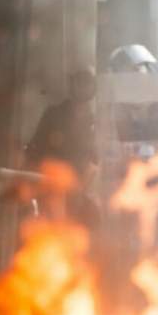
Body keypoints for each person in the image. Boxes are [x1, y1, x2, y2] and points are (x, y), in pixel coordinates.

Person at [25, 68, 100, 223]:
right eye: (79, 82)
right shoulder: (54, 114)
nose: (83, 88)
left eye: (87, 83)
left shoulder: (94, 121)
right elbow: (35, 148)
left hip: (77, 187)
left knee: (74, 229)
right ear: (72, 85)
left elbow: (95, 158)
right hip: (51, 182)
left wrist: (83, 186)